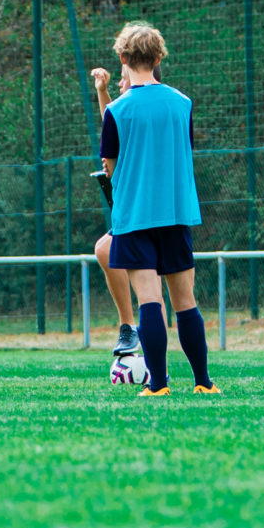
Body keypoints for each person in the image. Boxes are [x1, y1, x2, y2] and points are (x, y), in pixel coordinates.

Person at [100, 22, 217, 397]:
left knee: (150, 300)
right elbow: (185, 151)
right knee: (186, 301)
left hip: (134, 215)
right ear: (159, 57)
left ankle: (159, 386)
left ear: (122, 58)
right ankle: (203, 383)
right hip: (176, 211)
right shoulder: (183, 103)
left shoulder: (116, 111)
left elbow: (110, 166)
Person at [91, 63, 165, 357]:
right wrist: (102, 91)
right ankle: (130, 328)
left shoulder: (154, 108)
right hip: (135, 208)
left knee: (156, 289)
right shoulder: (126, 110)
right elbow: (113, 124)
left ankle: (157, 365)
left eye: (122, 81)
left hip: (153, 209)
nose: (121, 85)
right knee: (105, 250)